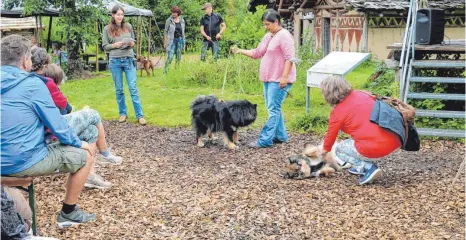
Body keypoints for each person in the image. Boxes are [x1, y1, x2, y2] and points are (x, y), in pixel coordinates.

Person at [1, 34, 97, 228]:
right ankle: (68, 213)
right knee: (85, 155)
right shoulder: (33, 84)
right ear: (26, 60)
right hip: (21, 161)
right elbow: (58, 126)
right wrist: (81, 143)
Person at [30, 48, 123, 189]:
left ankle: (89, 176)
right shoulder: (45, 82)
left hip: (40, 131)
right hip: (50, 132)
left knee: (91, 131)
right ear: (45, 64)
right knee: (92, 114)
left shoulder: (25, 81)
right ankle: (105, 153)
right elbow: (64, 105)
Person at [319, 76, 402, 185]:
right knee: (358, 136)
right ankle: (359, 166)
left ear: (327, 94)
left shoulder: (337, 113)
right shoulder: (361, 94)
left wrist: (321, 153)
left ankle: (368, 167)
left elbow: (329, 141)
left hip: (377, 146)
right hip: (396, 137)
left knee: (339, 149)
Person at [231, 10, 296, 148]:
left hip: (279, 79)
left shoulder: (285, 36)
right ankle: (281, 136)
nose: (265, 27)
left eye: (267, 24)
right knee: (274, 108)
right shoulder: (269, 36)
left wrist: (284, 77)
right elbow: (257, 53)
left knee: (273, 109)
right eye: (264, 24)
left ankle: (264, 140)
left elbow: (289, 58)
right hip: (268, 78)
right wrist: (240, 51)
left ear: (276, 22)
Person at [102, 5, 146, 125]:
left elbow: (132, 41)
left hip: (128, 58)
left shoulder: (128, 27)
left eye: (122, 14)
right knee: (119, 89)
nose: (120, 17)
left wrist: (131, 44)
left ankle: (140, 115)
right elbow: (105, 46)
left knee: (133, 87)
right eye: (118, 14)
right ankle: (122, 113)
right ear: (113, 15)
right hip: (115, 61)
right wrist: (115, 45)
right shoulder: (107, 29)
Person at [163, 6, 186, 74]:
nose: (173, 14)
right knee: (170, 57)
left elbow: (183, 32)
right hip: (172, 41)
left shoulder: (182, 20)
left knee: (178, 57)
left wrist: (184, 43)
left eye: (175, 13)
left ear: (178, 13)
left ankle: (177, 72)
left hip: (180, 40)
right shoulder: (168, 21)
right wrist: (165, 42)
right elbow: (165, 32)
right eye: (172, 12)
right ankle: (165, 72)